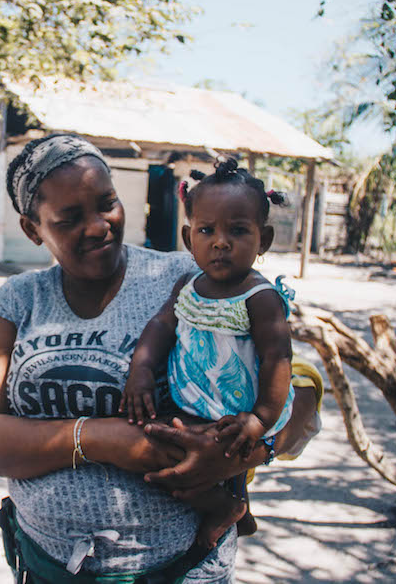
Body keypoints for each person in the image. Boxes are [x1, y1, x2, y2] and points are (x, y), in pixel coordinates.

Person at [0, 133, 321, 583]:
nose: (97, 226)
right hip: (46, 568)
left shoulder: (188, 279)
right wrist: (105, 439)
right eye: (69, 218)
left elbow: (298, 389)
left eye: (107, 203)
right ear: (33, 229)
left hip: (182, 570)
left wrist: (241, 453)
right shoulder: (17, 301)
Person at [119, 158, 294, 550]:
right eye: (206, 230)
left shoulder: (260, 297)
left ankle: (221, 508)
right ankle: (239, 510)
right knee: (163, 441)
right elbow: (162, 326)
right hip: (197, 398)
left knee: (179, 452)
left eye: (237, 230)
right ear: (188, 238)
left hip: (239, 411)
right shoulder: (188, 284)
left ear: (262, 240)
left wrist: (260, 419)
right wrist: (141, 369)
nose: (220, 242)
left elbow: (278, 361)